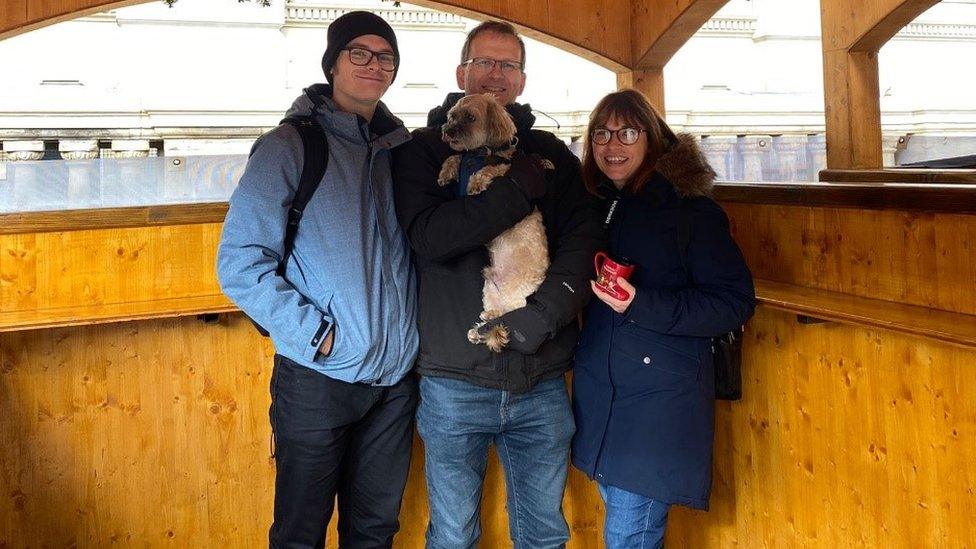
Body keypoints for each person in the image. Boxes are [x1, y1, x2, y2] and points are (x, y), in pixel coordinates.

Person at [392, 20, 604, 549]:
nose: (495, 74)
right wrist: (517, 190)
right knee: (454, 533)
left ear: (522, 81)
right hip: (453, 380)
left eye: (507, 65)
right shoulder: (422, 152)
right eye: (484, 62)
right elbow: (430, 238)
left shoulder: (550, 152)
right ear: (462, 72)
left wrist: (541, 317)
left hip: (541, 376)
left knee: (544, 532)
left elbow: (582, 244)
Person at [216, 11, 418, 549]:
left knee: (375, 531)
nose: (374, 65)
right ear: (332, 64)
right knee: (300, 533)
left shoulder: (401, 151)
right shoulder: (290, 145)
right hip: (317, 376)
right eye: (360, 53)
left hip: (394, 381)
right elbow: (240, 263)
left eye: (386, 57)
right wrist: (317, 334)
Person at [570, 89, 756, 548]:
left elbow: (734, 302)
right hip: (603, 399)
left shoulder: (691, 211)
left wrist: (640, 302)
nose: (612, 144)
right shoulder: (600, 205)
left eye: (627, 132)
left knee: (628, 536)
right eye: (602, 133)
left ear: (652, 140)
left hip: (657, 407)